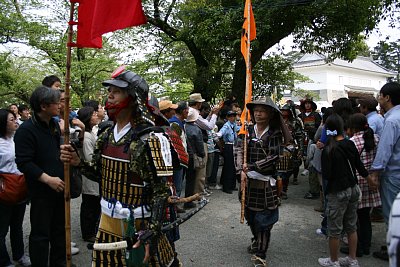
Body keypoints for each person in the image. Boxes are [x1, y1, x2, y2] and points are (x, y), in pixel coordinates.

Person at [60, 67, 177, 267]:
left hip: (138, 224)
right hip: (107, 220)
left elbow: (161, 190)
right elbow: (101, 175)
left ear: (133, 98)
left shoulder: (151, 138)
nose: (110, 95)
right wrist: (78, 162)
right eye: (109, 90)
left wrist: (153, 229)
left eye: (118, 91)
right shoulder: (105, 134)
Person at [14, 86, 68, 267]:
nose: (61, 106)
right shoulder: (26, 130)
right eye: (57, 102)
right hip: (41, 191)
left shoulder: (54, 125)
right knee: (40, 235)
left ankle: (59, 263)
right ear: (44, 106)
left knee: (60, 231)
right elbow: (24, 162)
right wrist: (47, 179)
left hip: (60, 188)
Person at [237, 97, 285, 267]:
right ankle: (257, 240)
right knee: (251, 217)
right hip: (248, 183)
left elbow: (274, 157)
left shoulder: (275, 133)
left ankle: (261, 255)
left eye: (262, 110)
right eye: (256, 110)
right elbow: (240, 150)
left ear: (270, 113)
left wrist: (251, 166)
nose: (258, 113)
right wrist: (240, 171)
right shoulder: (248, 130)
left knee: (264, 222)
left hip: (266, 184)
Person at [318, 113, 368, 267]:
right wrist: (369, 178)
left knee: (335, 230)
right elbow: (359, 165)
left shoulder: (328, 150)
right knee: (351, 226)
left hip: (337, 192)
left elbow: (327, 175)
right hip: (353, 189)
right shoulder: (349, 144)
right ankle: (352, 260)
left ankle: (334, 261)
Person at [339, 113, 380, 257]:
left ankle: (357, 248)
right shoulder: (375, 138)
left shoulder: (353, 141)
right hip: (371, 181)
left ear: (352, 126)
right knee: (365, 217)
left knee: (354, 218)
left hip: (357, 181)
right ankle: (366, 245)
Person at [368, 82, 400, 261]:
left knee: (392, 214)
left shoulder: (392, 120)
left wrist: (375, 172)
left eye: (380, 95)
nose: (379, 99)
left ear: (387, 97)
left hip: (393, 174)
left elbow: (385, 149)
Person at [0, 109, 31, 267]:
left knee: (17, 225)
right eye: (11, 120)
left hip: (20, 186)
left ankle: (19, 255)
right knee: (2, 227)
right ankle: (4, 260)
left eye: (15, 119)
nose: (16, 122)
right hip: (4, 188)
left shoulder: (17, 139)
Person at [77, 106, 101, 243]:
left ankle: (92, 230)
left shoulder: (91, 133)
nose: (96, 115)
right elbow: (89, 157)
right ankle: (88, 233)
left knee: (93, 204)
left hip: (93, 174)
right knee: (89, 205)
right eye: (93, 114)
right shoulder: (86, 136)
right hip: (89, 175)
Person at [184, 108, 206, 209]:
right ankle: (188, 201)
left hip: (183, 154)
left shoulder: (183, 126)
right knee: (191, 179)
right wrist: (202, 154)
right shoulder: (196, 129)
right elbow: (199, 145)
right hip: (192, 156)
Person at [217, 110, 240, 194]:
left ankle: (232, 185)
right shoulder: (226, 125)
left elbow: (239, 129)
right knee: (228, 167)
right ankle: (226, 187)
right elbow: (222, 131)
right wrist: (219, 134)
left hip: (234, 145)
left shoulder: (234, 125)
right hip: (228, 146)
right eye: (230, 116)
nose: (232, 117)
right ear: (227, 117)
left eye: (234, 116)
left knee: (234, 166)